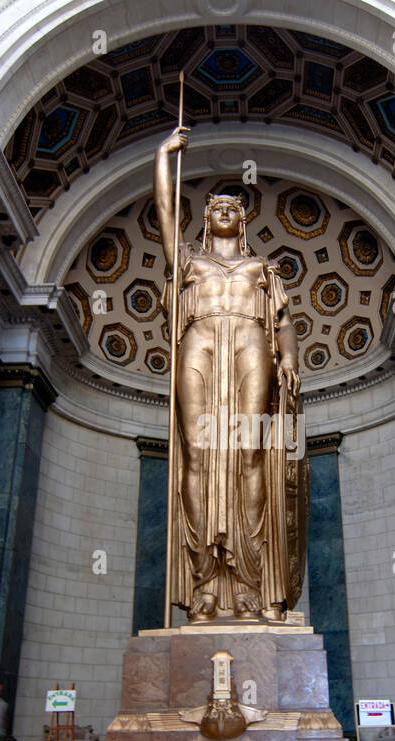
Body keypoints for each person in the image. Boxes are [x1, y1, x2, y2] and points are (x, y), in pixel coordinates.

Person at [154, 124, 306, 621]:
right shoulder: (189, 263)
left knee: (250, 456)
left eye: (232, 208)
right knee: (197, 456)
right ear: (205, 219)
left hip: (249, 347)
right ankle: (205, 584)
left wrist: (289, 357)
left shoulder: (262, 270)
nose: (223, 211)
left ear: (242, 221)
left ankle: (250, 583)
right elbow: (163, 212)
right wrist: (163, 155)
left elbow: (283, 323)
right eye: (215, 207)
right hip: (199, 345)